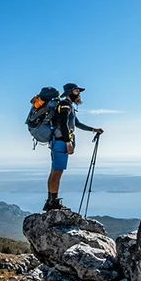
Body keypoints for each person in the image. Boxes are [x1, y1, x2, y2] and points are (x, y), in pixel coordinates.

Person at [44, 83, 104, 211]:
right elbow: (64, 124)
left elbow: (77, 124)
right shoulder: (65, 105)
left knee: (55, 171)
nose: (79, 94)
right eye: (77, 91)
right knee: (57, 172)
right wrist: (67, 142)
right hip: (61, 142)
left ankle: (51, 200)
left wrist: (94, 129)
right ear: (70, 92)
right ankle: (53, 203)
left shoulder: (68, 106)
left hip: (57, 141)